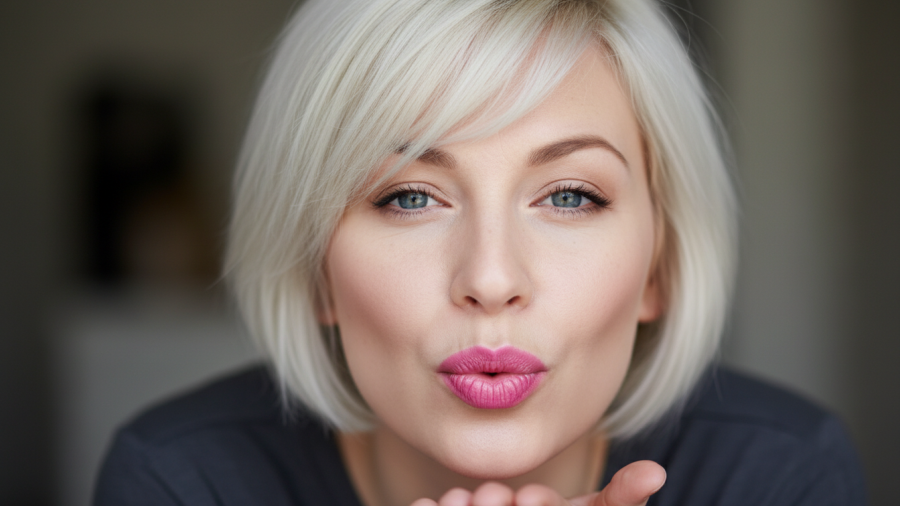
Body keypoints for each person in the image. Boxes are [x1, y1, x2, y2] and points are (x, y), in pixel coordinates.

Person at [94, 0, 867, 505]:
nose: (491, 279)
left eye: (570, 195)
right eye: (407, 197)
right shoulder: (183, 479)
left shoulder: (780, 474)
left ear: (656, 269)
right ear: (315, 268)